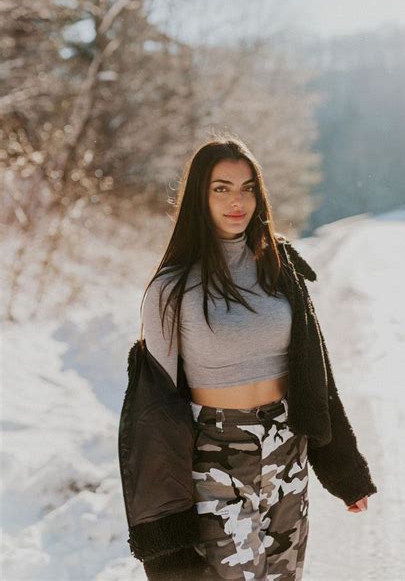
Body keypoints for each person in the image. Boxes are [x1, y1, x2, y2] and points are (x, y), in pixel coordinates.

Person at [120, 135, 377, 581]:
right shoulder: (171, 289)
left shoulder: (279, 268)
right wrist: (163, 533)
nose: (237, 201)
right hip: (216, 456)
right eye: (221, 188)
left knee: (284, 575)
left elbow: (316, 377)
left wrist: (344, 471)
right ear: (199, 195)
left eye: (247, 187)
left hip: (287, 447)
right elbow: (154, 413)